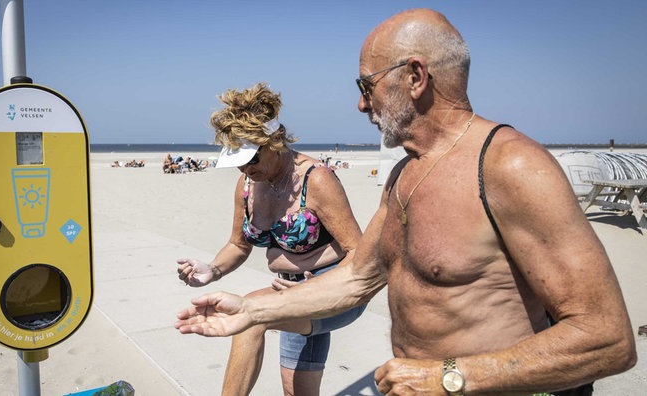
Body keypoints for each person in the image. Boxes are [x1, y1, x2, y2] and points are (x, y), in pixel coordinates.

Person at [175, 9, 637, 396]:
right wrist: (251, 310)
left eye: (365, 86)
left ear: (415, 76)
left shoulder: (510, 167)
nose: (361, 106)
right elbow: (357, 276)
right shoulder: (404, 174)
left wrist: (450, 377)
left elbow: (609, 338)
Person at [176, 82, 365, 396]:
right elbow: (238, 245)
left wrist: (314, 291)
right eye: (238, 160)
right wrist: (212, 269)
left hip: (337, 289)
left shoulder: (316, 179)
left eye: (251, 158)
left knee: (249, 315)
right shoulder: (247, 185)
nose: (245, 167)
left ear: (276, 140)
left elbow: (359, 252)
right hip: (287, 288)